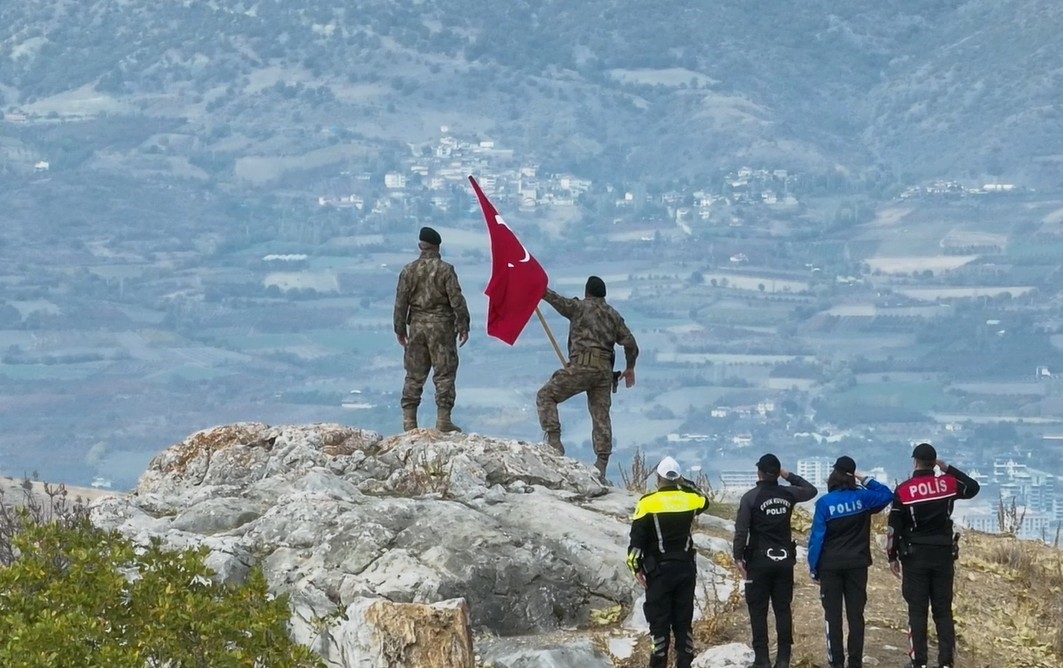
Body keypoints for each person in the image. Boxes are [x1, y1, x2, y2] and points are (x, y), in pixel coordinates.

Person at [887, 443, 980, 668]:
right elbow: (973, 487)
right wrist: (947, 468)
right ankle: (946, 662)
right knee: (943, 610)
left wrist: (892, 557)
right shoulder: (948, 484)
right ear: (934, 462)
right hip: (943, 555)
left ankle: (918, 661)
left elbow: (893, 527)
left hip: (915, 556)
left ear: (914, 462)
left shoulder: (904, 490)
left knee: (917, 611)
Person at [535, 275, 638, 479]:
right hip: (604, 374)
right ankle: (601, 465)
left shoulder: (578, 307)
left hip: (581, 367)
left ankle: (555, 442)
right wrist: (630, 367)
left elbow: (554, 299)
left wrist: (536, 286)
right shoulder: (613, 315)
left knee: (545, 396)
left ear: (587, 292)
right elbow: (631, 344)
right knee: (601, 417)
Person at [807, 456, 894, 668]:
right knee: (856, 616)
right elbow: (887, 494)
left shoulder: (824, 503)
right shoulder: (863, 499)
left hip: (830, 567)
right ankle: (855, 662)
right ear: (851, 476)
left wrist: (813, 567)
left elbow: (817, 538)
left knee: (832, 617)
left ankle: (836, 662)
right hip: (857, 565)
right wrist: (863, 478)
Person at [733, 453, 818, 668]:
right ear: (777, 474)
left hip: (758, 562)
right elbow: (811, 490)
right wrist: (788, 475)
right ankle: (783, 659)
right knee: (782, 609)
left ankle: (762, 659)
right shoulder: (788, 493)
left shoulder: (750, 498)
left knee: (758, 609)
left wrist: (737, 557)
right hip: (783, 562)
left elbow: (741, 531)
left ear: (759, 472)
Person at [627, 456, 709, 668]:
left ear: (658, 478)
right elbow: (704, 499)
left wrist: (635, 567)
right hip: (685, 569)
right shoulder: (690, 500)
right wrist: (686, 483)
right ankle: (685, 663)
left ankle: (658, 664)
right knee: (683, 624)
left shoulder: (647, 502)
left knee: (659, 626)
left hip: (659, 573)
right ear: (677, 478)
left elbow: (636, 540)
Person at [393, 226, 470, 433]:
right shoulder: (446, 270)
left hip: (417, 327)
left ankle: (409, 421)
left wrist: (400, 329)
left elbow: (401, 302)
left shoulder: (408, 270)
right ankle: (443, 419)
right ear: (437, 247)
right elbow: (457, 300)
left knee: (414, 374)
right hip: (442, 328)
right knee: (444, 373)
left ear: (420, 246)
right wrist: (463, 325)